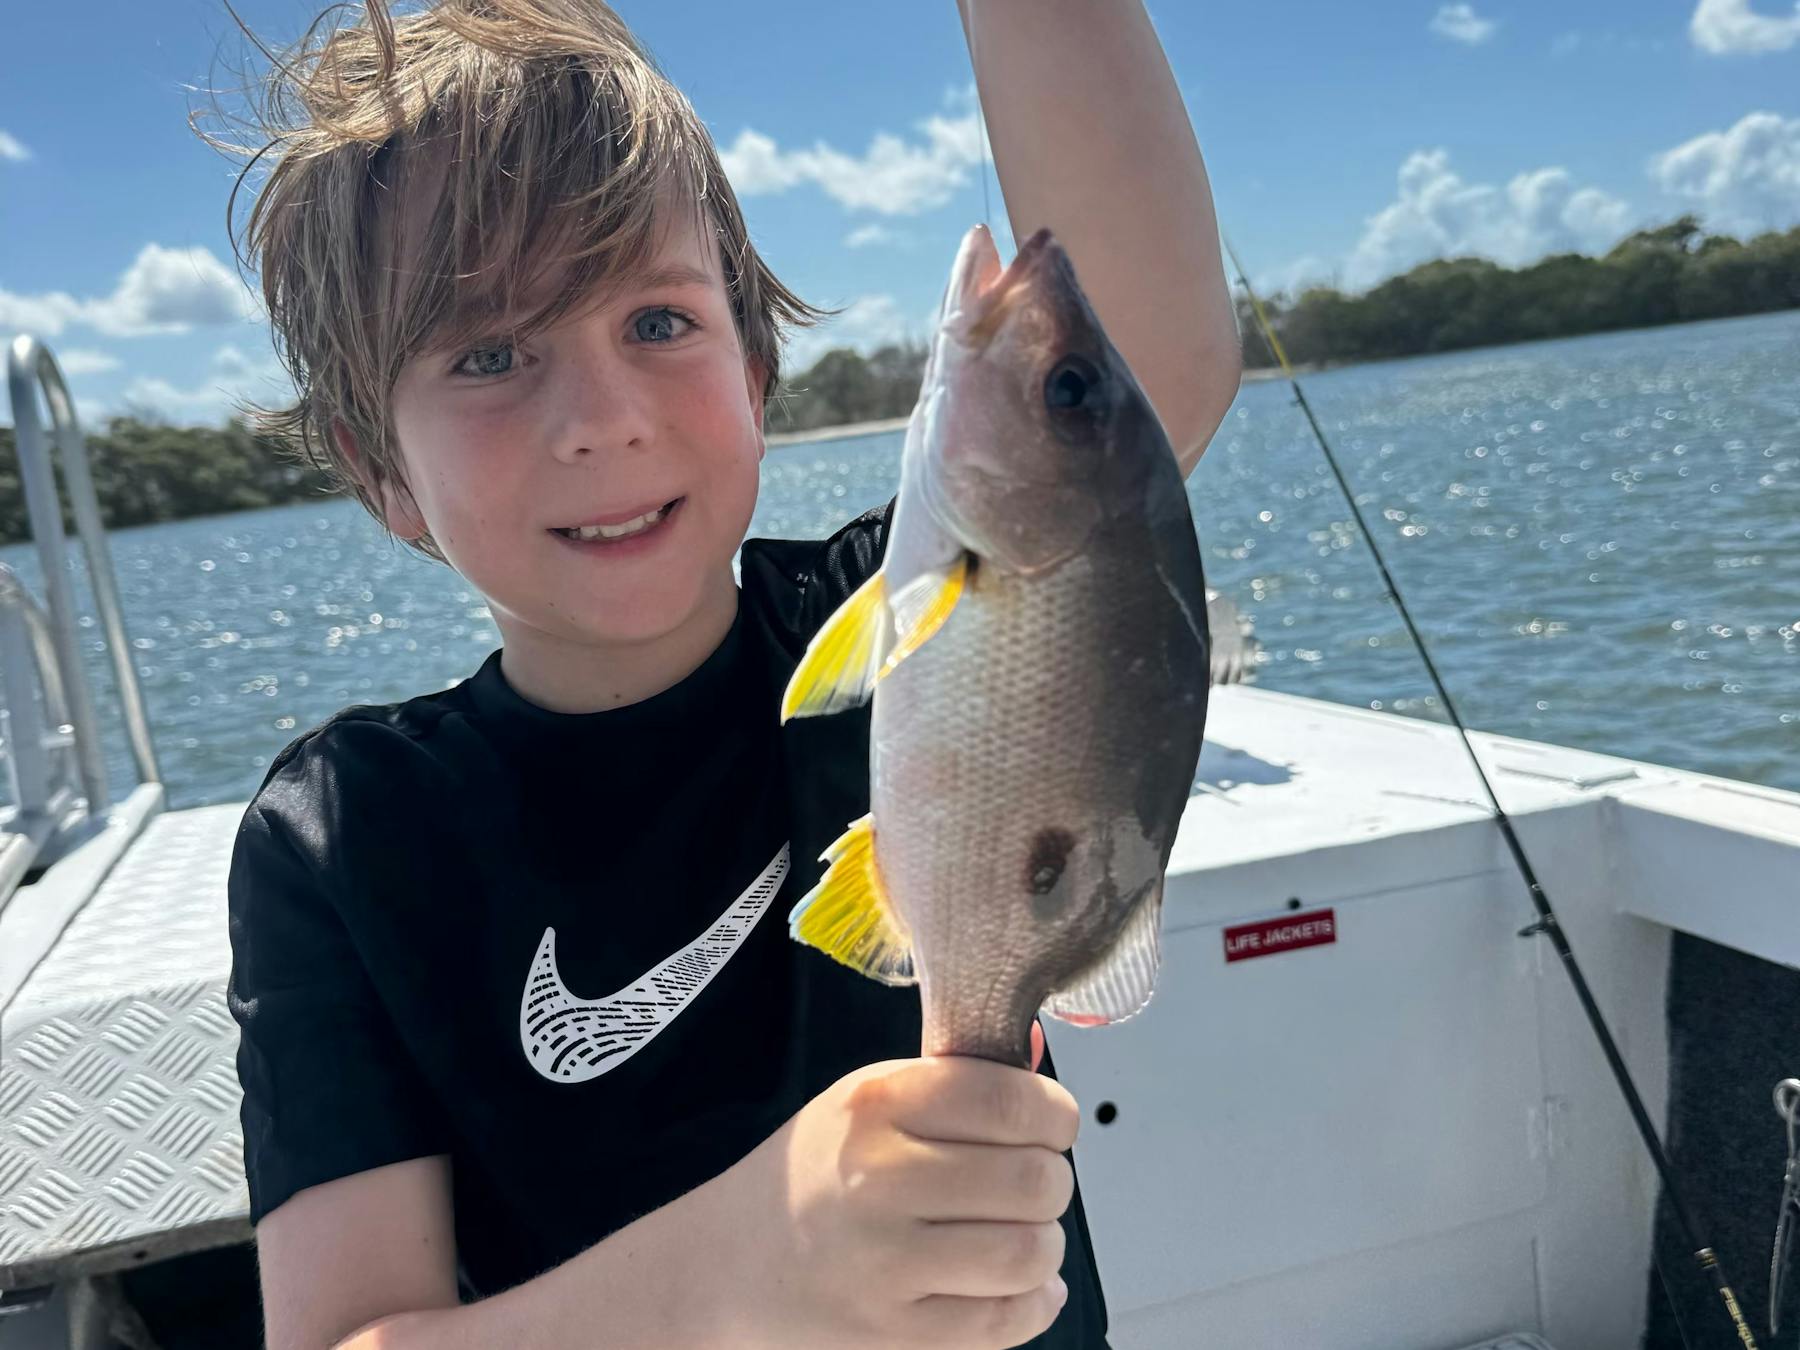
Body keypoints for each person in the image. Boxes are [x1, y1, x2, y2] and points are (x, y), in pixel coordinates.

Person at [221, 1, 1240, 1346]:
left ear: (756, 367)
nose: (602, 419)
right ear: (381, 471)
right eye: (488, 355)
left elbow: (1137, 363)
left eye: (656, 322)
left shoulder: (920, 622)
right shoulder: (346, 836)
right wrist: (742, 1270)